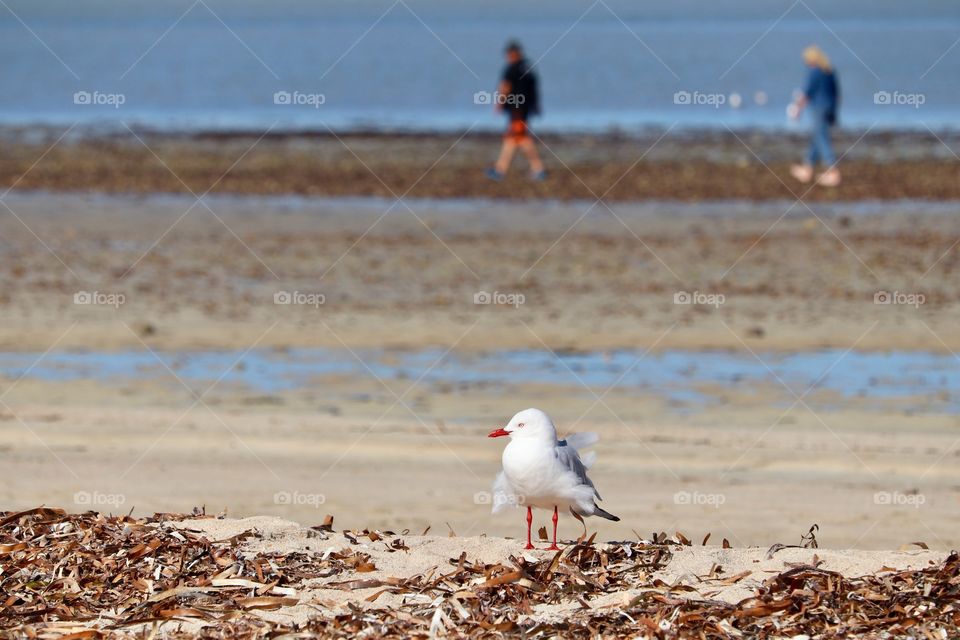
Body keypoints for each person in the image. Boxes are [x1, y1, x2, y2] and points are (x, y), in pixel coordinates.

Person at [485, 41, 546, 181]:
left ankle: (538, 169)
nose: (508, 56)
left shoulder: (512, 68)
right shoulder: (529, 68)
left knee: (520, 138)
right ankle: (500, 169)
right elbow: (535, 89)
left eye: (509, 54)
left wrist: (499, 103)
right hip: (525, 108)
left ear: (514, 54)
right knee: (513, 138)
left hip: (517, 109)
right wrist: (536, 106)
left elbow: (505, 86)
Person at [789, 45, 841, 187]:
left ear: (811, 59)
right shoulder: (829, 70)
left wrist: (797, 109)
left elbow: (807, 93)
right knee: (817, 136)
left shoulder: (814, 72)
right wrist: (834, 112)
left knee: (821, 137)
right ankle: (807, 168)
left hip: (819, 108)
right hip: (829, 107)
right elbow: (837, 94)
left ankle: (833, 171)